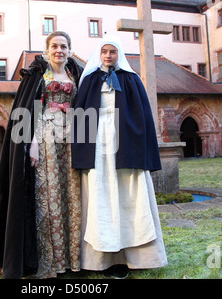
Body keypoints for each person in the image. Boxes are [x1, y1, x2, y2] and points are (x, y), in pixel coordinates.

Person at [0, 31, 83, 279]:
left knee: (70, 195)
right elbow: (30, 110)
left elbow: (82, 106)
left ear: (70, 50)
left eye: (63, 46)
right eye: (54, 46)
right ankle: (47, 262)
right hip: (45, 139)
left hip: (71, 140)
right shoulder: (37, 75)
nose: (59, 51)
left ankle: (70, 260)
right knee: (49, 195)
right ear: (47, 50)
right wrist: (31, 143)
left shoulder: (76, 73)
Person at [71, 35, 167, 279]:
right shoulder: (90, 80)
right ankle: (100, 258)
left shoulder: (131, 80)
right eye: (104, 51)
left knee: (128, 197)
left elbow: (143, 117)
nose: (108, 56)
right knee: (100, 196)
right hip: (97, 148)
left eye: (112, 51)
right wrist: (81, 150)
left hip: (125, 148)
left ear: (119, 54)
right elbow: (80, 117)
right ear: (98, 53)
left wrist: (138, 147)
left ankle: (132, 257)